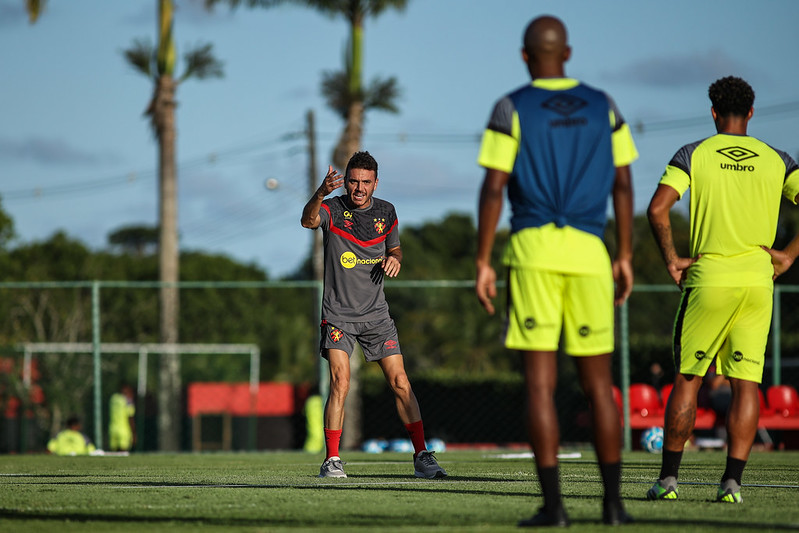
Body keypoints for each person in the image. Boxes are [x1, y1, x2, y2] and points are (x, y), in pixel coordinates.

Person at [475, 15, 637, 527]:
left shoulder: (510, 106)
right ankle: (614, 508)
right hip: (591, 252)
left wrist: (482, 260)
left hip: (532, 252)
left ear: (526, 56)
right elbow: (624, 185)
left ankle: (555, 509)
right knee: (599, 385)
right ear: (566, 53)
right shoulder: (603, 104)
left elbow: (495, 187)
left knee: (540, 388)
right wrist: (625, 253)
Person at [646, 76, 799, 504]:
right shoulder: (778, 159)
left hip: (709, 280)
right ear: (751, 112)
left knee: (688, 380)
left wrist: (673, 259)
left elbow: (658, 207)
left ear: (713, 112)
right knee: (746, 385)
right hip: (757, 283)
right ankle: (731, 485)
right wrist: (786, 256)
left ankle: (669, 482)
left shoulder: (693, 154)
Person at [300, 150, 447, 480]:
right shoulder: (332, 208)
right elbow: (308, 221)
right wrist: (321, 191)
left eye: (365, 182)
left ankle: (422, 456)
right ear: (346, 182)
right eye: (353, 181)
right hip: (338, 314)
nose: (359, 187)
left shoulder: (387, 212)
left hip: (377, 316)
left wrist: (395, 258)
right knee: (340, 381)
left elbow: (394, 247)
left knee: (400, 382)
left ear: (375, 183)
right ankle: (332, 460)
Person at [108, 384, 136, 452]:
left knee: (113, 452)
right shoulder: (127, 401)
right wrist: (134, 433)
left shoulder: (113, 398)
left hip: (112, 428)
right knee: (123, 452)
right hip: (124, 429)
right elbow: (130, 417)